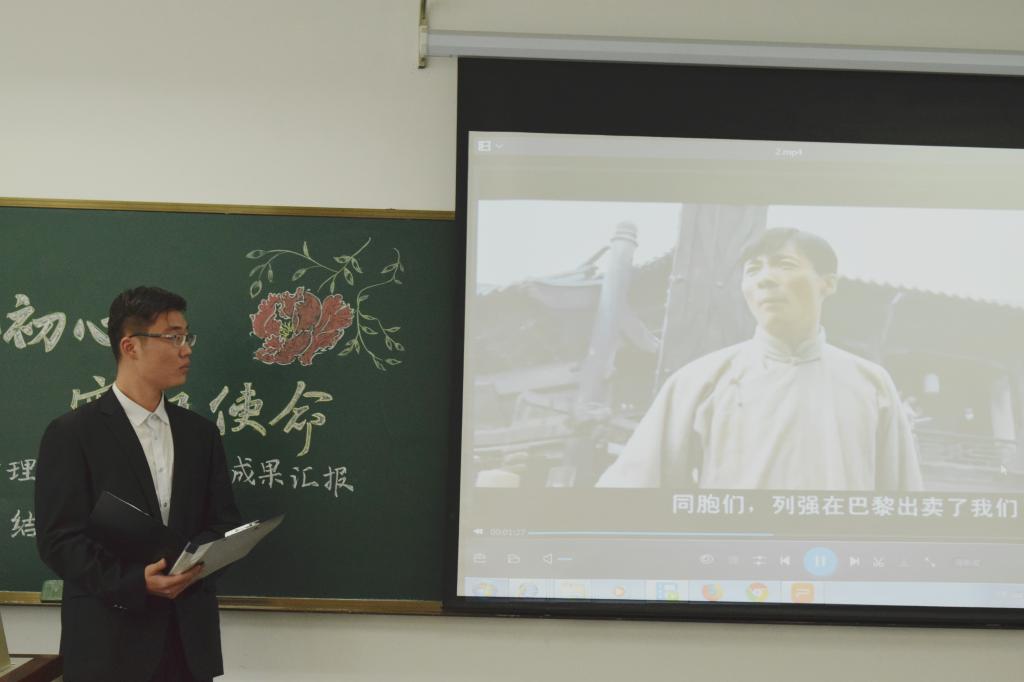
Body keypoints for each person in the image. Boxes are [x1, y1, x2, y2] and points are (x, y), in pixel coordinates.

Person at [596, 228, 923, 490]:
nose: (764, 278)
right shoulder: (701, 380)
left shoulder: (871, 383)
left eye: (785, 265)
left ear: (827, 283)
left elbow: (904, 499)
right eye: (753, 270)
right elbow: (630, 490)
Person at [35, 286, 241, 682]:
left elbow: (224, 522)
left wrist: (193, 567)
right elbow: (58, 540)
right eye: (173, 337)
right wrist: (134, 583)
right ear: (130, 346)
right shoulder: (72, 434)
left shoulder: (201, 434)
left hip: (187, 645)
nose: (186, 350)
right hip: (107, 647)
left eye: (187, 337)